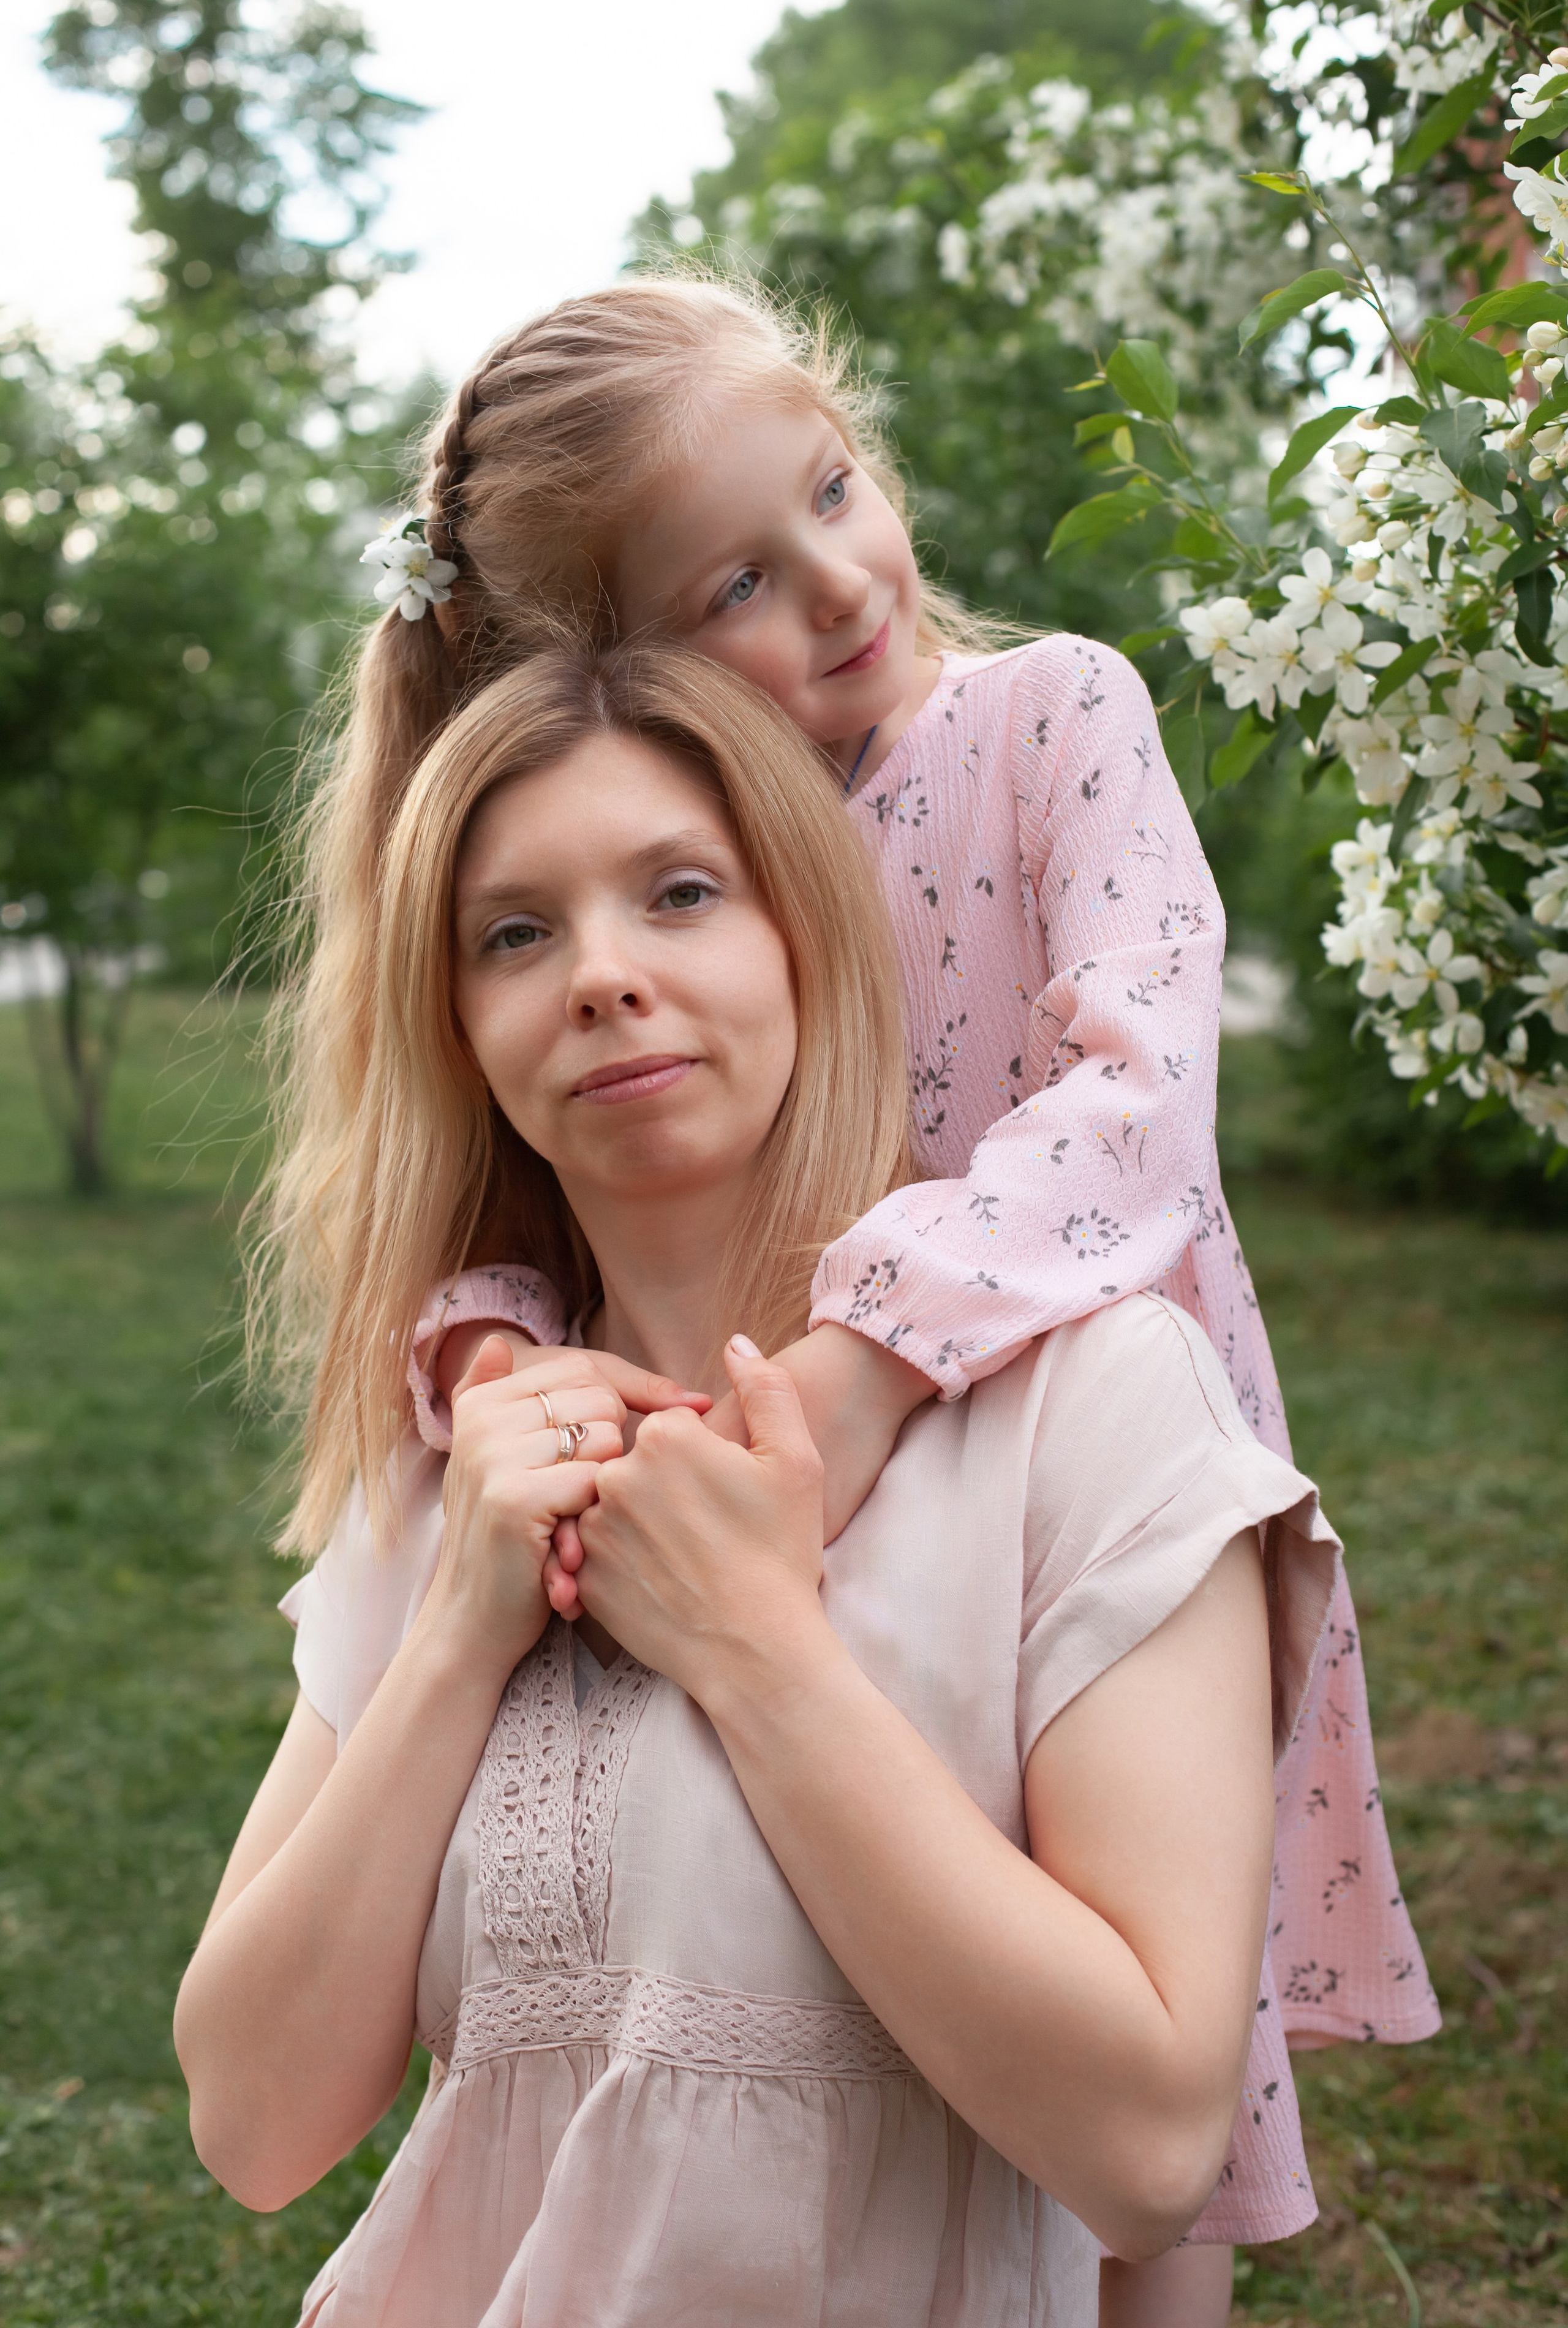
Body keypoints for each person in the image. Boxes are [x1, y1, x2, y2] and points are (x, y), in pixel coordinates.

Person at [301, 274, 1436, 2319]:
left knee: (1148, 2136)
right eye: (743, 575)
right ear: (625, 664)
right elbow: (558, 1169)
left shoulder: (1045, 718)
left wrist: (871, 1362)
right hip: (788, 1467)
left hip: (1053, 1442)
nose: (841, 585)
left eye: (838, 488)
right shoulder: (693, 841)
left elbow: (1137, 1091)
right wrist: (488, 1342)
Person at [177, 648, 1343, 2327]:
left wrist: (753, 1648)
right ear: (463, 1027)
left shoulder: (1092, 1414)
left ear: (809, 930)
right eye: (515, 933)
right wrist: (455, 1635)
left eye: (680, 893)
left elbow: (1153, 2145)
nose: (600, 976)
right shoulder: (459, 1464)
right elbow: (253, 2124)